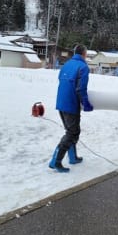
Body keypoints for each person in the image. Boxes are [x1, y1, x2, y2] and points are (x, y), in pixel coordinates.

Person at [49, 44, 93, 172]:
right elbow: (81, 88)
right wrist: (86, 103)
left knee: (71, 131)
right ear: (84, 54)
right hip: (71, 103)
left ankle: (73, 157)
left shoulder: (67, 64)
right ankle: (56, 161)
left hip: (61, 102)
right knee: (72, 133)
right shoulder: (83, 67)